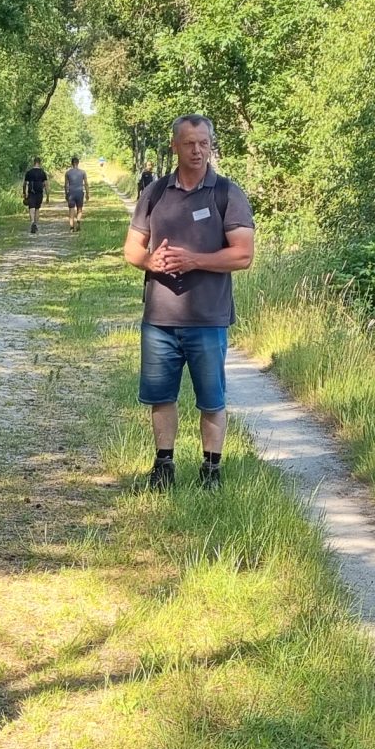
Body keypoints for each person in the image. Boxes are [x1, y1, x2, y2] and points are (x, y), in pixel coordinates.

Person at [123, 115, 255, 491]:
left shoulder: (227, 193)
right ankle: (163, 467)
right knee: (160, 396)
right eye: (189, 144)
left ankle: (211, 470)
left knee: (211, 398)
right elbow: (131, 247)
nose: (197, 151)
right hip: (160, 317)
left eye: (203, 143)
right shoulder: (156, 193)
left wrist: (195, 260)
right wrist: (149, 261)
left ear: (211, 144)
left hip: (207, 316)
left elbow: (243, 255)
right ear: (174, 146)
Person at [22, 156, 48, 233]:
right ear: (40, 163)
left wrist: (24, 192)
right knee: (37, 209)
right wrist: (47, 195)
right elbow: (46, 184)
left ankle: (32, 222)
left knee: (31, 208)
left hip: (31, 193)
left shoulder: (29, 172)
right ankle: (35, 224)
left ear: (34, 162)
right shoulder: (42, 172)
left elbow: (24, 184)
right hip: (39, 193)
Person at [63, 155, 88, 232]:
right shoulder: (83, 172)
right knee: (79, 209)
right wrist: (87, 193)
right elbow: (86, 184)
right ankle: (78, 222)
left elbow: (66, 185)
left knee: (71, 210)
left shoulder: (67, 173)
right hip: (79, 192)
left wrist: (66, 194)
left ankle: (71, 227)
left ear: (71, 163)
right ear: (78, 163)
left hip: (71, 193)